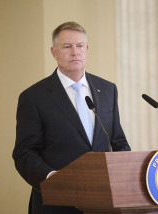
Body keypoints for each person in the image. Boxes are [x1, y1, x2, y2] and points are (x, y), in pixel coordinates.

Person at [12, 21, 131, 214]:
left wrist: (125, 175)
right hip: (55, 204)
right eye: (67, 46)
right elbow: (25, 152)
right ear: (54, 52)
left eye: (80, 46)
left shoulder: (107, 90)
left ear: (87, 49)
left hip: (103, 203)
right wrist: (52, 178)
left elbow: (118, 142)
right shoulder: (34, 97)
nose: (75, 51)